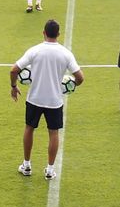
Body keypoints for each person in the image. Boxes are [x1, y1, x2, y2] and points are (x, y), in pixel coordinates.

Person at [10, 18, 84, 180]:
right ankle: (50, 170)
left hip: (34, 99)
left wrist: (14, 86)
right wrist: (71, 85)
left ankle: (27, 165)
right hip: (54, 101)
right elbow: (80, 77)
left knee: (29, 128)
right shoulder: (66, 53)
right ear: (58, 34)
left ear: (43, 33)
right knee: (53, 133)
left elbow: (14, 70)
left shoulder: (35, 50)